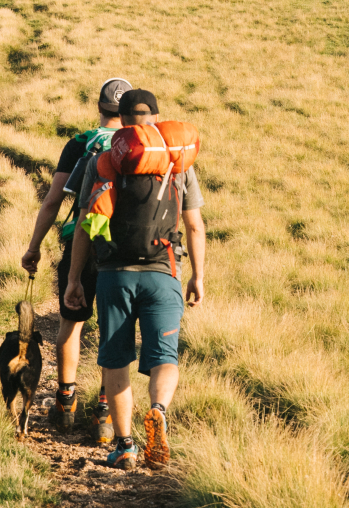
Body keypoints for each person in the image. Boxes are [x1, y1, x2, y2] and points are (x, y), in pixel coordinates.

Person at [63, 89, 207, 471]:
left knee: (116, 359)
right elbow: (194, 224)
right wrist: (198, 276)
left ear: (122, 121)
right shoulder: (180, 162)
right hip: (165, 273)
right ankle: (158, 409)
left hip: (115, 275)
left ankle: (124, 444)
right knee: (164, 356)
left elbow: (84, 225)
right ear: (156, 118)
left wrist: (75, 278)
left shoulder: (103, 160)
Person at [21, 77, 132, 431]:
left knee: (71, 322)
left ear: (99, 107)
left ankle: (65, 404)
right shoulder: (139, 146)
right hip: (121, 249)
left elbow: (53, 199)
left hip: (81, 242)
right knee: (113, 330)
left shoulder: (81, 143)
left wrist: (34, 246)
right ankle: (103, 412)